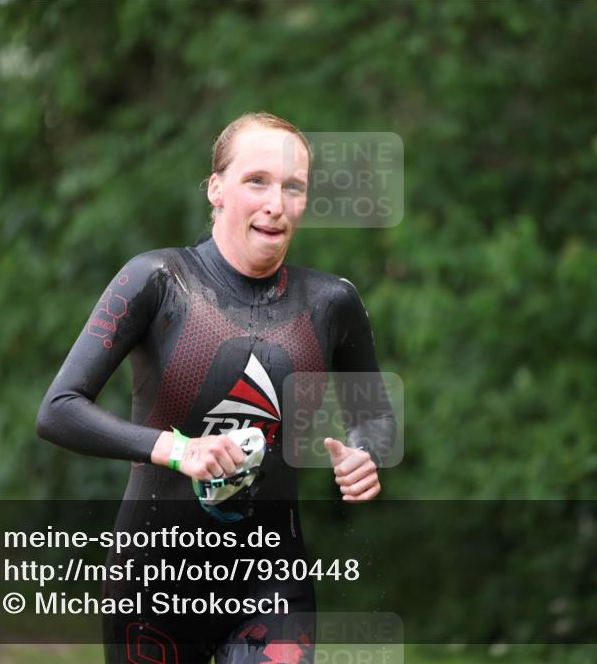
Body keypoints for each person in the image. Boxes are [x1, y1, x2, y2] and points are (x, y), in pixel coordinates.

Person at [37, 112, 394, 663]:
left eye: (292, 187)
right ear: (216, 189)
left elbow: (373, 418)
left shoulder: (331, 303)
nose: (276, 202)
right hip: (151, 584)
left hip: (273, 584)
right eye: (257, 181)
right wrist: (178, 449)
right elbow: (59, 410)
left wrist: (365, 455)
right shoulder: (157, 279)